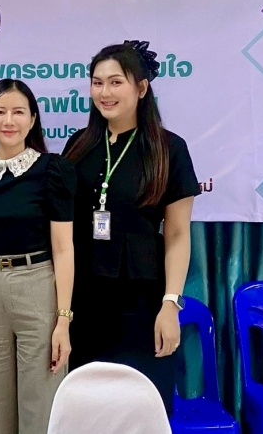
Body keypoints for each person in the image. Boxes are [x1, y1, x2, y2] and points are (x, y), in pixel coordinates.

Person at [62, 40, 199, 415]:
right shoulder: (79, 146)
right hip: (85, 302)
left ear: (141, 88)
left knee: (140, 410)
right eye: (97, 83)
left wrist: (170, 304)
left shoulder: (169, 149)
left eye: (115, 82)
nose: (104, 92)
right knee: (88, 409)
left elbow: (177, 234)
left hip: (142, 302)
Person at [0, 79, 75, 434]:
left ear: (33, 119)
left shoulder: (52, 170)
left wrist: (63, 321)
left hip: (38, 286)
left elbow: (64, 249)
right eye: (0, 112)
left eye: (19, 112)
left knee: (40, 413)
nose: (9, 120)